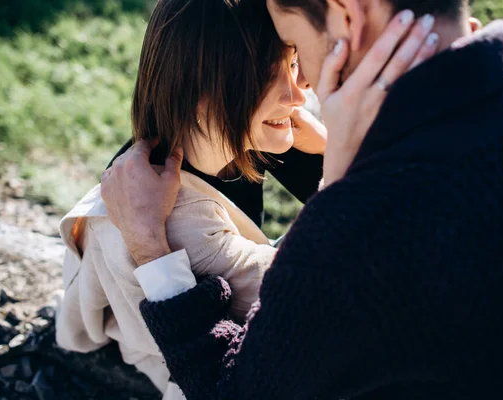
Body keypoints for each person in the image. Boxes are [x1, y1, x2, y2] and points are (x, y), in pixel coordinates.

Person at [101, 0, 503, 399]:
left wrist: (148, 245)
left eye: (294, 46)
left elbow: (233, 388)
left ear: (347, 14)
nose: (302, 84)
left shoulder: (362, 233)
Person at [55, 0, 328, 397]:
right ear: (201, 90)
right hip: (198, 362)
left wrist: (322, 146)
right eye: (270, 74)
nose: (299, 96)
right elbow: (323, 285)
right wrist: (339, 145)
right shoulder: (179, 220)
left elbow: (348, 197)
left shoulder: (228, 129)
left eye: (292, 64)